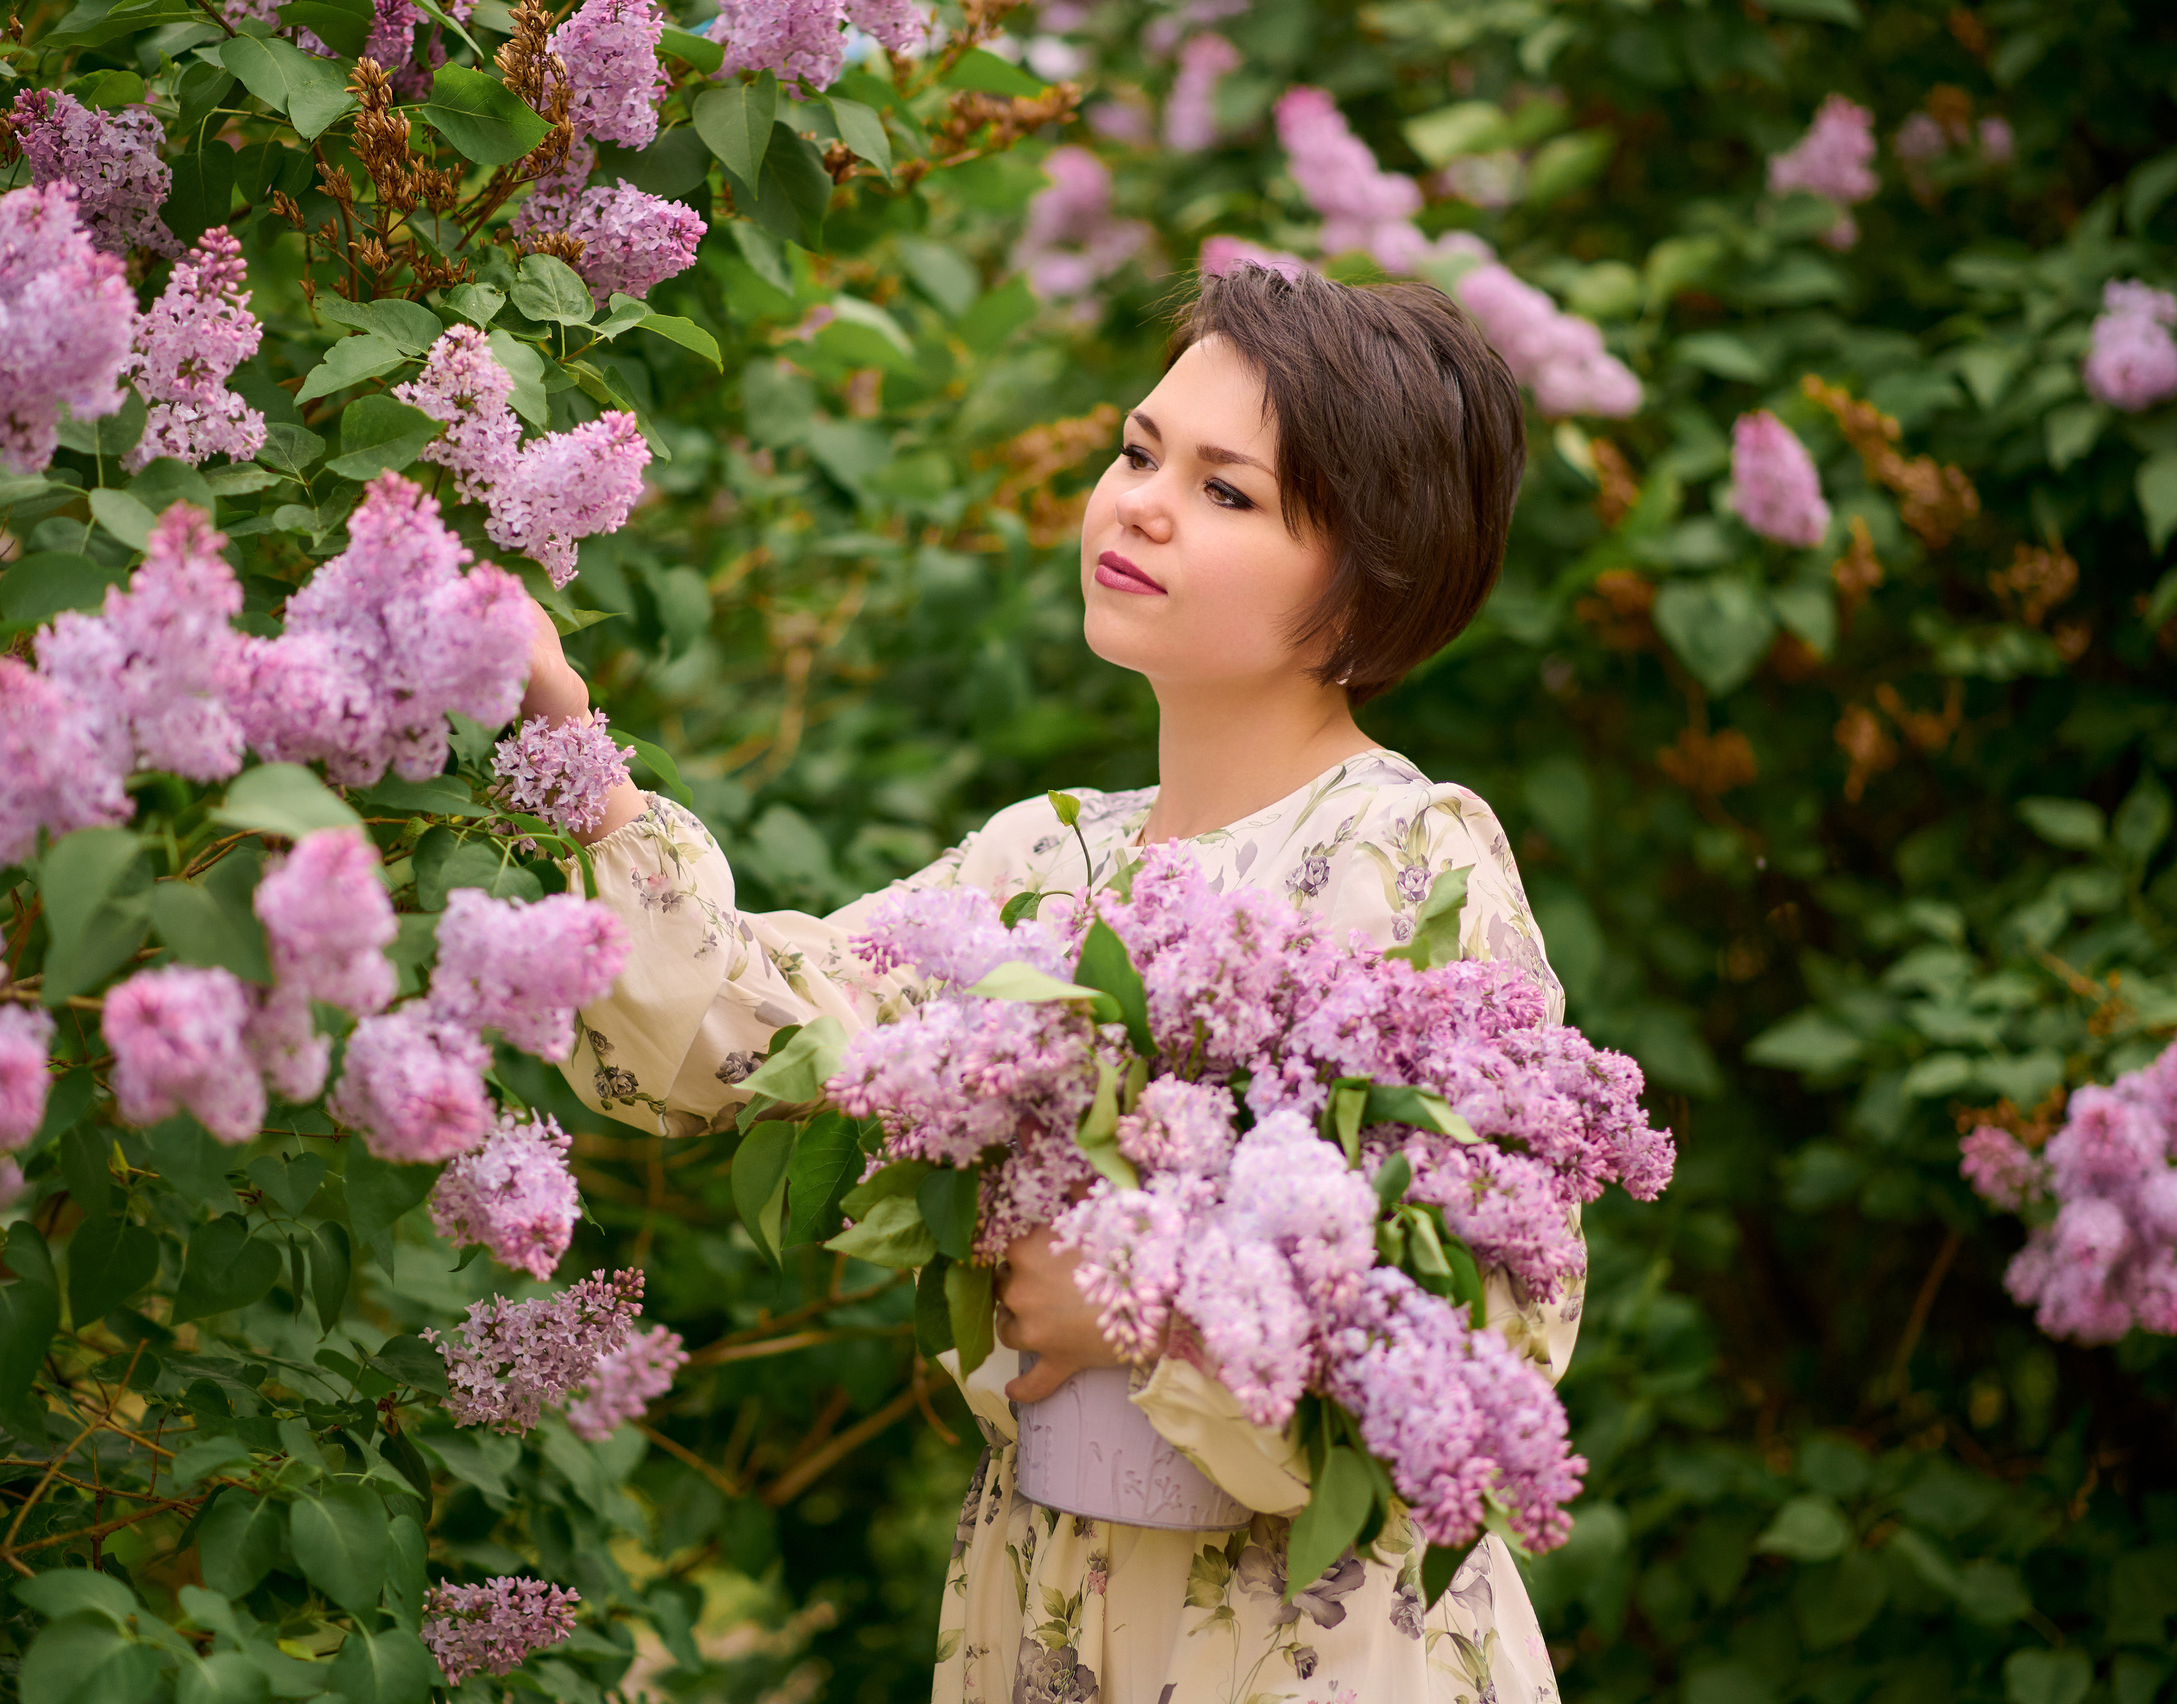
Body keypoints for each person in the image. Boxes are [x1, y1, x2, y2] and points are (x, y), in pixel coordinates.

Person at [520, 265, 1578, 1704]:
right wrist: (571, 748)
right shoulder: (1044, 861)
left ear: (1371, 583)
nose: (1140, 504)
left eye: (1227, 491)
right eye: (1139, 453)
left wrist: (1148, 1304)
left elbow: (1499, 1326)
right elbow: (739, 1035)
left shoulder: (1403, 854)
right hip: (1048, 1623)